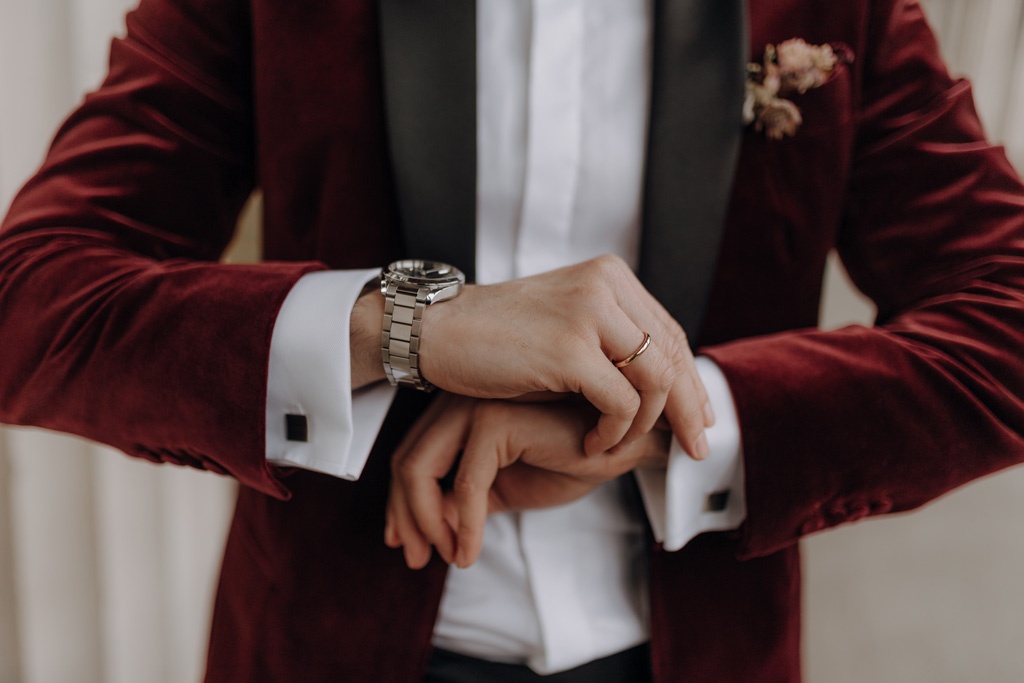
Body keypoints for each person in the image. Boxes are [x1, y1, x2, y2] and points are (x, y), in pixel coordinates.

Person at [1, 0, 1023, 682]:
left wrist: (662, 416)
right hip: (327, 640)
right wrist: (407, 326)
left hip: (702, 646)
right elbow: (32, 299)